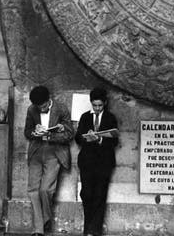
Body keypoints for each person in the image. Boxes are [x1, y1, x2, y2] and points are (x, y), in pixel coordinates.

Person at [24, 86, 74, 236]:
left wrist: (50, 135)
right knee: (32, 190)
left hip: (54, 152)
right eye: (38, 107)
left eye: (44, 106)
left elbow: (70, 134)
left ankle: (46, 219)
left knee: (45, 190)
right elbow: (27, 132)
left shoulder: (61, 108)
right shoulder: (31, 110)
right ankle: (38, 229)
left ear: (49, 100)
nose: (41, 109)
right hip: (36, 152)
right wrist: (34, 132)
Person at [75, 87, 119, 236]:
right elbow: (77, 138)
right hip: (87, 162)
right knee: (86, 194)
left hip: (104, 163)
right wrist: (86, 136)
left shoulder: (110, 118)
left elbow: (114, 141)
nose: (98, 108)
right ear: (91, 103)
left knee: (100, 195)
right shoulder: (85, 117)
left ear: (105, 103)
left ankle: (95, 231)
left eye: (100, 105)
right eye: (95, 105)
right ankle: (88, 229)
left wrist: (99, 139)